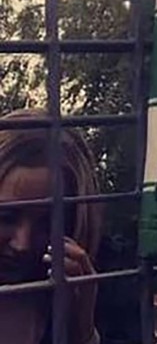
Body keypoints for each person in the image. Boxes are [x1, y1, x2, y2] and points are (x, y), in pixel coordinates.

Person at [0, 109, 102, 344]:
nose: (22, 244)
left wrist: (83, 333)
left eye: (49, 223)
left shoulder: (106, 287)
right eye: (6, 217)